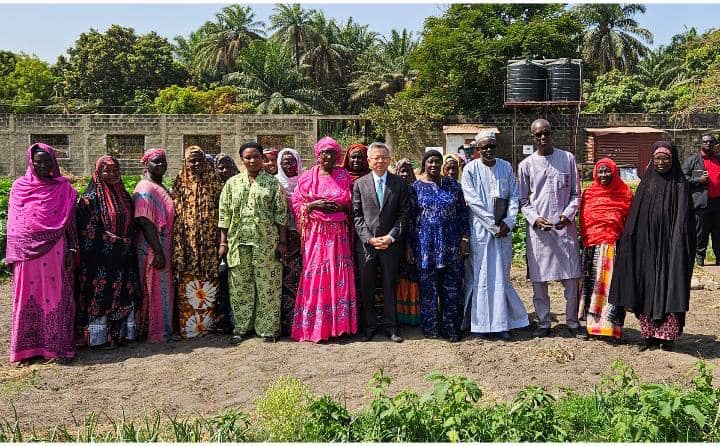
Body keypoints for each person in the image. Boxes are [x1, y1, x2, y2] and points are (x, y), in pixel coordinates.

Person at [609, 141, 695, 351]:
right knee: (645, 287)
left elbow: (684, 220)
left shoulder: (680, 185)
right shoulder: (646, 184)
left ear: (673, 160)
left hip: (670, 249)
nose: (661, 162)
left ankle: (667, 337)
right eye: (657, 159)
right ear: (652, 160)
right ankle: (648, 336)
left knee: (669, 287)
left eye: (665, 158)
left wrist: (676, 243)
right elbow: (635, 219)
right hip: (646, 247)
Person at [7, 143, 78, 363]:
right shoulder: (19, 187)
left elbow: (71, 223)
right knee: (27, 296)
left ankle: (55, 348)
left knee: (55, 296)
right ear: (31, 162)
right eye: (38, 161)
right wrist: (16, 251)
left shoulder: (63, 188)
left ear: (54, 162)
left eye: (48, 161)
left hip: (55, 250)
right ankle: (26, 350)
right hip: (26, 255)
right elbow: (14, 223)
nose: (43, 165)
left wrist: (72, 248)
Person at [518, 119, 585, 339]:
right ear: (532, 138)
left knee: (572, 278)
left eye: (546, 133)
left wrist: (567, 215)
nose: (543, 137)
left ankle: (572, 322)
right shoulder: (526, 165)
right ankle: (544, 321)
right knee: (539, 280)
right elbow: (523, 201)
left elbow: (576, 194)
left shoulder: (567, 158)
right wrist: (535, 219)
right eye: (538, 135)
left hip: (565, 229)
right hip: (540, 233)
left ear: (551, 134)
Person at [219, 142, 289, 343]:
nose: (252, 160)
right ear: (242, 159)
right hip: (238, 243)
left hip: (266, 244)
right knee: (240, 287)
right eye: (248, 157)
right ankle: (242, 327)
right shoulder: (232, 184)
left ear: (262, 158)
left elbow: (281, 214)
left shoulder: (272, 183)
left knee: (268, 286)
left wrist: (282, 242)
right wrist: (223, 243)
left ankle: (268, 330)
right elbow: (224, 214)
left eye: (256, 156)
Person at [461, 133, 529, 340]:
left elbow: (514, 196)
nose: (488, 150)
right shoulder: (470, 169)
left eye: (492, 146)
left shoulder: (506, 167)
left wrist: (509, 221)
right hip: (481, 231)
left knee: (501, 275)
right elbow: (473, 201)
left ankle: (501, 324)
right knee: (480, 276)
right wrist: (493, 225)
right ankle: (479, 325)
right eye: (484, 147)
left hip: (503, 231)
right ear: (478, 150)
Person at [291, 136, 357, 342]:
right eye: (324, 152)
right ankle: (316, 327)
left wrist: (342, 207)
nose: (328, 156)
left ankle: (340, 327)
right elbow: (296, 203)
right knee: (316, 275)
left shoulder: (344, 176)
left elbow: (353, 203)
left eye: (332, 153)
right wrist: (313, 205)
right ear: (317, 155)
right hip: (316, 234)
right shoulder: (307, 177)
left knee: (339, 276)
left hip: (339, 234)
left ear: (337, 156)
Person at [76, 155, 140, 347]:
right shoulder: (89, 199)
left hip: (123, 258)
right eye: (107, 171)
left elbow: (133, 222)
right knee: (100, 296)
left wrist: (126, 240)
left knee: (123, 294)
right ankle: (98, 339)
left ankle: (119, 335)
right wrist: (113, 240)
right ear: (98, 173)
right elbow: (87, 230)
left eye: (115, 170)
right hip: (99, 261)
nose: (112, 174)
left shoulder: (125, 196)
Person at [407, 149, 469, 342]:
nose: (433, 165)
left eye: (437, 161)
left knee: (452, 289)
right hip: (425, 247)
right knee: (428, 290)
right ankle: (431, 329)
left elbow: (463, 213)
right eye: (430, 162)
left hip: (451, 246)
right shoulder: (415, 188)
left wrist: (464, 238)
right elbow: (410, 219)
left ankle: (451, 329)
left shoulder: (453, 186)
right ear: (424, 164)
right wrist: (408, 245)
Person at [352, 142, 409, 343]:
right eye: (376, 157)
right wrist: (369, 238)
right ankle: (369, 327)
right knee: (367, 287)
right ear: (369, 161)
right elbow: (357, 215)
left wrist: (391, 237)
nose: (380, 161)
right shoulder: (359, 184)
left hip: (391, 245)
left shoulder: (399, 184)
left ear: (389, 159)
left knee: (389, 286)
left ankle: (391, 327)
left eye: (384, 157)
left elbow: (404, 215)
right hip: (367, 246)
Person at [578, 158, 634, 341]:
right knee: (592, 287)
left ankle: (611, 328)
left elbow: (630, 221)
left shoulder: (624, 193)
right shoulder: (589, 193)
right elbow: (584, 219)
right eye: (600, 171)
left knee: (611, 289)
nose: (604, 175)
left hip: (614, 248)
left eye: (607, 171)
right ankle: (592, 327)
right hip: (592, 247)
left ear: (614, 172)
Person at [172, 146, 224, 338]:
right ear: (186, 162)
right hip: (189, 244)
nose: (196, 164)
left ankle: (208, 327)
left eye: (199, 160)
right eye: (191, 161)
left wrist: (222, 242)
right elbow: (177, 215)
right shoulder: (180, 182)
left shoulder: (215, 182)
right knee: (189, 284)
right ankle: (190, 329)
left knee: (209, 286)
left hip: (211, 244)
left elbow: (223, 214)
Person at [133, 148, 175, 343]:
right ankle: (156, 332)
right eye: (156, 161)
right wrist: (158, 252)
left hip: (163, 244)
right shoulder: (145, 188)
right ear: (146, 164)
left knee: (162, 288)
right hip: (153, 246)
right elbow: (144, 221)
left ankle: (162, 329)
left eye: (163, 161)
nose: (161, 165)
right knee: (156, 288)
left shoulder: (159, 185)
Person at [275, 147, 304, 336]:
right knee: (284, 281)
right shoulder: (276, 183)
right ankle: (286, 324)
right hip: (284, 240)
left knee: (303, 281)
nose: (289, 165)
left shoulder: (306, 181)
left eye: (292, 161)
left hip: (306, 239)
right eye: (284, 162)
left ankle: (302, 322)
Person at [682, 134, 720, 266]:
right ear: (701, 143)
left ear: (715, 144)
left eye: (711, 142)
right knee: (701, 232)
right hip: (701, 203)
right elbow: (683, 178)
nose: (708, 144)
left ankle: (719, 257)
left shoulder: (718, 159)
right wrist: (698, 180)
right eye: (705, 142)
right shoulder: (692, 160)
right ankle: (699, 257)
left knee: (718, 232)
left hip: (717, 202)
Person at [214, 153, 240, 333]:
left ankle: (234, 319)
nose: (224, 171)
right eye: (220, 167)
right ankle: (222, 320)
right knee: (221, 280)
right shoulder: (212, 187)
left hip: (237, 240)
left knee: (236, 281)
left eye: (227, 167)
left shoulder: (241, 185)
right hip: (214, 242)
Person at [393, 158, 420, 326]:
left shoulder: (417, 189)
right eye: (401, 171)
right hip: (396, 238)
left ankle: (414, 315)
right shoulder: (392, 189)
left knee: (414, 275)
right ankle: (401, 314)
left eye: (407, 171)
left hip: (415, 238)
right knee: (399, 276)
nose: (404, 174)